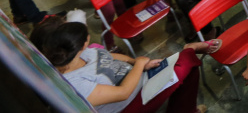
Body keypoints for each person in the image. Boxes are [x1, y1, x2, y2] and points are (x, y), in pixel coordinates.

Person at [43, 21, 214, 113]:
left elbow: (110, 56)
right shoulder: (74, 83)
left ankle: (185, 109)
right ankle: (190, 49)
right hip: (130, 103)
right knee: (184, 64)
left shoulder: (79, 54)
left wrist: (137, 63)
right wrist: (139, 64)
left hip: (137, 78)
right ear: (82, 44)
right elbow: (122, 93)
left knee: (183, 66)